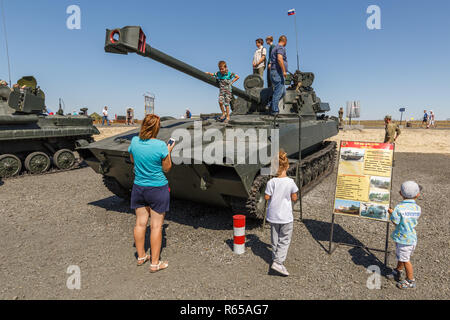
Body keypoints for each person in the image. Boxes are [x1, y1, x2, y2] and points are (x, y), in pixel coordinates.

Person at [128, 114, 175, 272]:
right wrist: (168, 151)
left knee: (140, 223)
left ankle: (141, 256)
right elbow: (167, 168)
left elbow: (133, 160)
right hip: (157, 189)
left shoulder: (134, 141)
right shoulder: (161, 146)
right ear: (157, 128)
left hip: (138, 187)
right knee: (156, 227)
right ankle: (155, 264)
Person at [264, 150, 299, 276]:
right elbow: (294, 197)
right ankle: (278, 263)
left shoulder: (271, 182)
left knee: (275, 239)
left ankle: (275, 259)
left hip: (273, 216)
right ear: (287, 166)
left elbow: (267, 197)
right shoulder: (290, 182)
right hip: (285, 216)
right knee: (284, 239)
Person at [386, 181, 421, 289]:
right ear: (417, 195)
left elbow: (396, 222)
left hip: (403, 239)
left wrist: (392, 213)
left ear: (400, 193)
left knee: (406, 260)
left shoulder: (399, 208)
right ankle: (398, 270)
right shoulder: (417, 208)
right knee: (402, 256)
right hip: (412, 237)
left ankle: (410, 280)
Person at [268, 35, 288, 116]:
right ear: (285, 41)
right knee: (278, 92)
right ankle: (274, 111)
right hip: (278, 72)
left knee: (283, 92)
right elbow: (279, 59)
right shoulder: (280, 48)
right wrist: (284, 71)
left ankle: (271, 104)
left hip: (274, 72)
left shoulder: (274, 48)